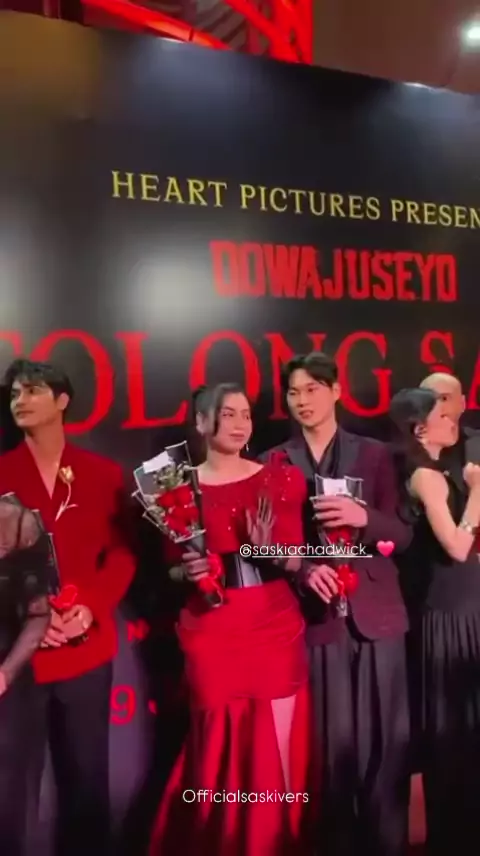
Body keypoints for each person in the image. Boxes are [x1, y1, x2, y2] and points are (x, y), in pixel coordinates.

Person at [149, 383, 312, 856]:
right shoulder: (175, 489)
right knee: (217, 744)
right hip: (211, 629)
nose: (241, 424)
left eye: (246, 414)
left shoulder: (280, 478)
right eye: (228, 414)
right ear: (202, 422)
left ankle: (281, 841)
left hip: (272, 625)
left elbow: (297, 559)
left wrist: (268, 551)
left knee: (279, 741)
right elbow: (170, 568)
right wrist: (188, 571)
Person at [261, 352, 412, 856]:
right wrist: (304, 569)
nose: (302, 401)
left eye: (312, 389)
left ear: (336, 391)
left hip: (378, 618)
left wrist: (363, 517)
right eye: (293, 392)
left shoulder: (376, 455)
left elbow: (402, 537)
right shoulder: (273, 462)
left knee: (386, 750)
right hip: (315, 618)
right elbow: (261, 546)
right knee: (330, 752)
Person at [0, 358, 136, 856]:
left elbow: (122, 553)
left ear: (62, 401)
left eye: (32, 390)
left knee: (86, 787)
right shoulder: (2, 472)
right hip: (17, 657)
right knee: (10, 792)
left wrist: (92, 606)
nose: (20, 400)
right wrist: (30, 619)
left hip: (85, 649)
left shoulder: (102, 474)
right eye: (14, 393)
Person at [390, 387, 480, 855]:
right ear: (420, 427)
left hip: (465, 609)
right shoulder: (427, 476)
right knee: (455, 735)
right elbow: (458, 546)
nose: (453, 422)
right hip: (448, 618)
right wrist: (479, 491)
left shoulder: (440, 471)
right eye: (443, 416)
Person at [0, 497, 51, 855]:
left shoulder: (17, 522)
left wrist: (5, 673)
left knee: (7, 803)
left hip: (6, 680)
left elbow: (38, 614)